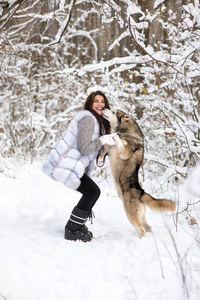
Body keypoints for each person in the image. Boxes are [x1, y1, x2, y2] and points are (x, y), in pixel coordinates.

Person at [42, 91, 116, 242]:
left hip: (75, 165)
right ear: (90, 103)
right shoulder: (88, 119)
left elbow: (92, 146)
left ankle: (77, 225)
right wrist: (103, 141)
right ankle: (72, 229)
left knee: (92, 192)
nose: (100, 104)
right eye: (96, 101)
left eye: (103, 101)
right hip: (69, 165)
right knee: (92, 192)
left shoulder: (97, 121)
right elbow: (84, 147)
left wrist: (108, 147)